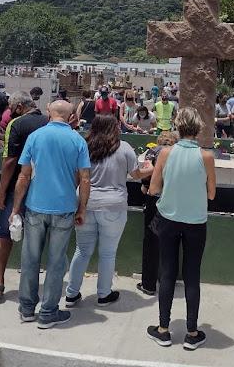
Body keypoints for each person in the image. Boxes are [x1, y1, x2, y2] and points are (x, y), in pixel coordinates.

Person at [11, 100, 91, 329]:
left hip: (35, 206)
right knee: (56, 263)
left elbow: (23, 176)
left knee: (30, 259)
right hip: (64, 209)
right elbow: (85, 179)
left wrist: (16, 208)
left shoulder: (35, 137)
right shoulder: (77, 140)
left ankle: (27, 309)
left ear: (49, 112)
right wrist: (82, 208)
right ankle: (48, 312)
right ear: (71, 116)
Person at [66, 116, 153, 307]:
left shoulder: (84, 146)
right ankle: (103, 294)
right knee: (108, 253)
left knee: (81, 251)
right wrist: (153, 168)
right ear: (113, 128)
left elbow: (75, 176)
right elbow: (136, 174)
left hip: (84, 204)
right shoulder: (124, 148)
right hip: (114, 206)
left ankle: (71, 294)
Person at [147, 107, 216, 350]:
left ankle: (163, 329)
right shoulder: (206, 156)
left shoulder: (166, 152)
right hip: (195, 222)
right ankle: (192, 331)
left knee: (167, 272)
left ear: (177, 126)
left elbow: (154, 188)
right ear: (198, 128)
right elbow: (212, 193)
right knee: (192, 276)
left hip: (168, 218)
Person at [0, 92, 48, 303]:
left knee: (4, 232)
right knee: (35, 237)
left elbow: (10, 160)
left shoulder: (16, 124)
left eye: (12, 108)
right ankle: (30, 286)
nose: (10, 112)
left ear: (20, 107)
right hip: (42, 190)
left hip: (16, 187)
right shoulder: (50, 123)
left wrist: (1, 191)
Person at [137, 131, 178, 296]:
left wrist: (145, 184)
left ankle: (148, 283)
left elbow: (145, 173)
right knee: (172, 242)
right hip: (175, 201)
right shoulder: (179, 153)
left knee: (151, 240)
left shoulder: (152, 152)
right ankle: (168, 280)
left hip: (155, 199)